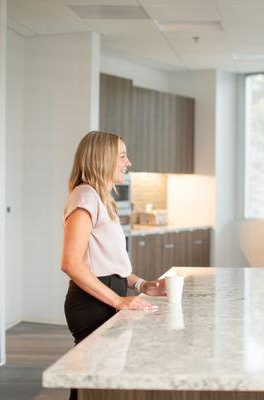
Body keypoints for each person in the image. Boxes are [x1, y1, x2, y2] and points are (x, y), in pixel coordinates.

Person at [61, 131, 167, 399]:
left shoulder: (100, 198)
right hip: (92, 302)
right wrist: (119, 301)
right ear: (102, 158)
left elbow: (111, 261)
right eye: (122, 155)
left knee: (99, 381)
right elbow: (71, 263)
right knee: (94, 381)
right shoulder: (85, 196)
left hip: (105, 293)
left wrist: (142, 284)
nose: (128, 162)